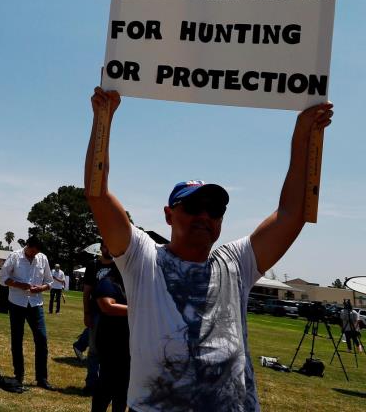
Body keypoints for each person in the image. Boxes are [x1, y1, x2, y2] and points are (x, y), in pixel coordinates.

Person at [84, 86, 333, 410]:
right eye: (193, 207)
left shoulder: (235, 263)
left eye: (215, 210)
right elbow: (98, 194)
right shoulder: (142, 259)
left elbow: (292, 214)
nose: (205, 216)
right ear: (168, 215)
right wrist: (102, 119)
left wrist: (303, 134)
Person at [0, 236, 55, 390]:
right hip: (17, 303)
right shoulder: (15, 256)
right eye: (32, 252)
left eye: (36, 252)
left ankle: (42, 378)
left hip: (36, 304)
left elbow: (49, 282)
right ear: (27, 246)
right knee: (17, 339)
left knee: (42, 339)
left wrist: (41, 288)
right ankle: (19, 375)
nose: (34, 255)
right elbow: (3, 278)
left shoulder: (42, 258)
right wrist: (19, 285)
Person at [74, 246, 117, 394]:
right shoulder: (93, 265)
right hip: (96, 313)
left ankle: (107, 385)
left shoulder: (120, 264)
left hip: (115, 314)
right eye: (107, 245)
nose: (110, 248)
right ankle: (91, 384)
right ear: (102, 247)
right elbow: (86, 292)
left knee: (111, 352)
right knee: (93, 350)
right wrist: (87, 313)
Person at [91, 255, 130, 412]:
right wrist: (139, 310)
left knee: (123, 389)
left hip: (128, 343)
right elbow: (107, 306)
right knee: (106, 386)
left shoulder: (130, 285)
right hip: (111, 343)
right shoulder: (108, 282)